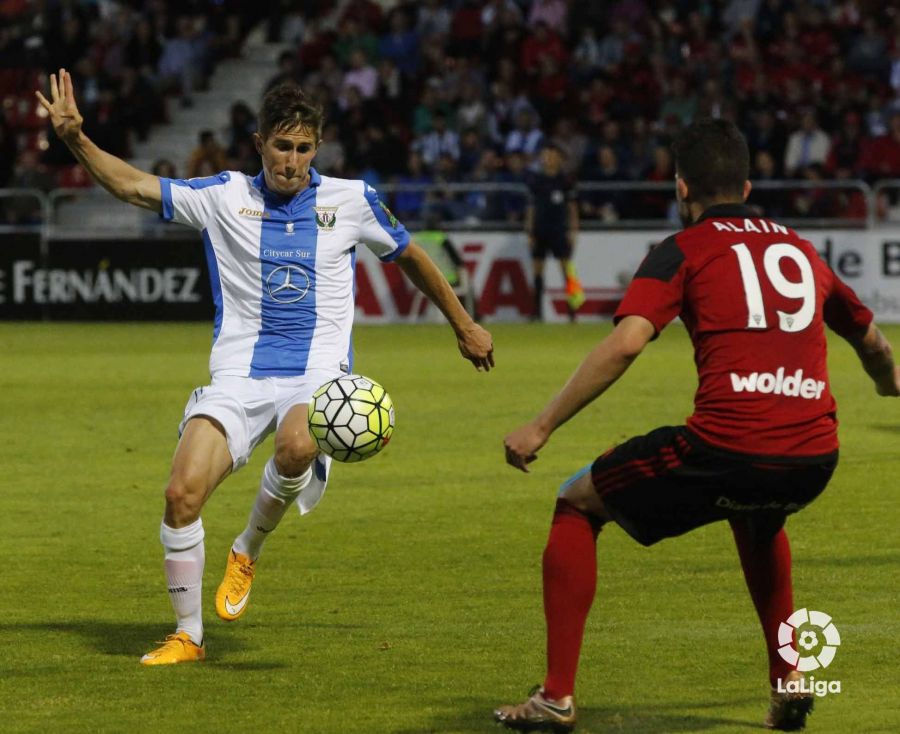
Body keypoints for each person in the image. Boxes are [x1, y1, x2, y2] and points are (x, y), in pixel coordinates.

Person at [37, 69, 494, 666]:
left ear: (317, 148)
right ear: (259, 145)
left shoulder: (351, 200)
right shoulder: (224, 196)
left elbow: (410, 256)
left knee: (299, 444)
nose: (292, 160)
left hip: (316, 376)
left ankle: (247, 547)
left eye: (304, 148)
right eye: (282, 146)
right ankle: (188, 637)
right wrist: (77, 140)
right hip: (238, 377)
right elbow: (133, 187)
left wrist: (463, 323)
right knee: (181, 494)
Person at [495, 119, 899, 732]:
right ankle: (789, 679)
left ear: (681, 188)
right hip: (816, 455)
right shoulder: (799, 247)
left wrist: (541, 425)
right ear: (748, 182)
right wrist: (888, 383)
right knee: (759, 517)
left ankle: (555, 696)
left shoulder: (681, 249)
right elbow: (870, 339)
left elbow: (627, 344)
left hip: (727, 445)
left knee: (577, 502)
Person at [526, 143, 583, 322]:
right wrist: (529, 232)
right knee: (537, 271)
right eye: (545, 155)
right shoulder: (536, 181)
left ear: (559, 158)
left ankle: (572, 310)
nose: (547, 158)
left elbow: (573, 208)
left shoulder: (565, 181)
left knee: (567, 270)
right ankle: (537, 312)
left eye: (550, 155)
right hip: (540, 230)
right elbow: (531, 208)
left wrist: (574, 232)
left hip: (559, 231)